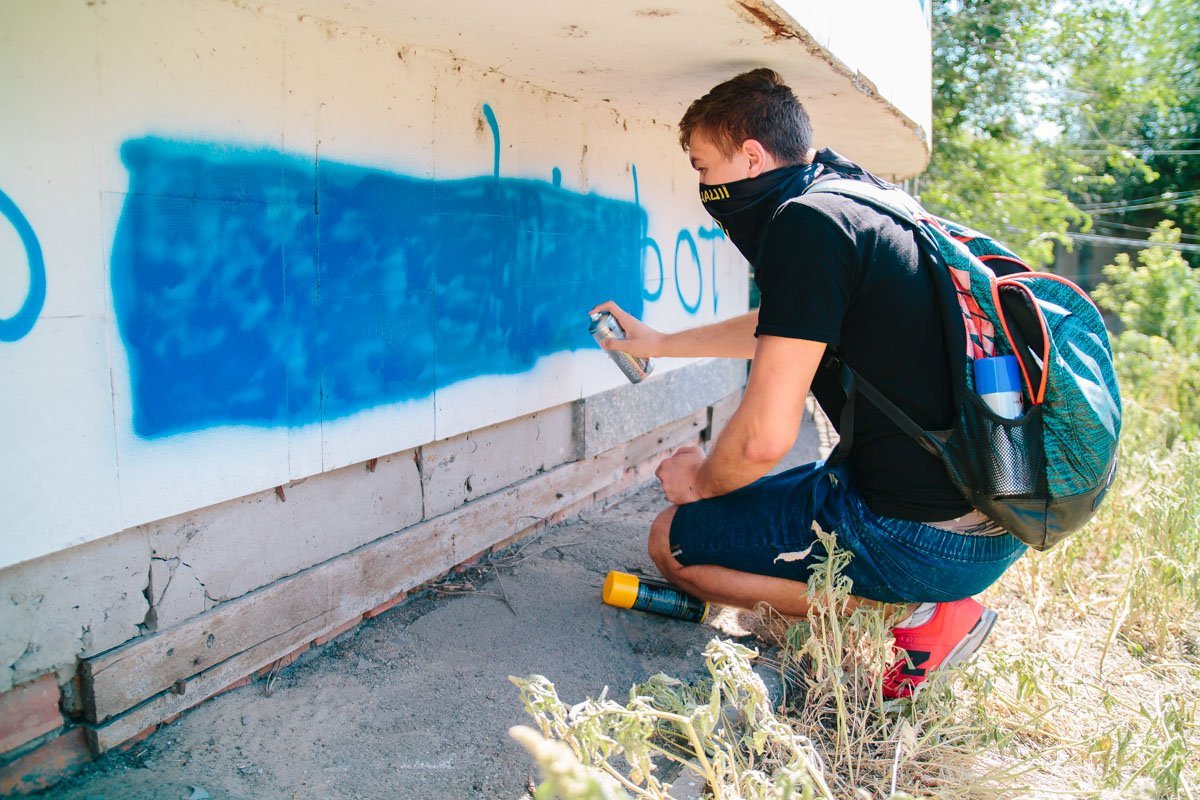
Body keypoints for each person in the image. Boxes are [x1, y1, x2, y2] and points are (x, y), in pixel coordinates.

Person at [590, 68, 1026, 698]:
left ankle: (917, 613)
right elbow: (788, 325)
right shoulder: (855, 200)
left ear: (751, 157)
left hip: (921, 537)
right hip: (993, 514)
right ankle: (914, 597)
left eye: (703, 167)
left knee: (673, 542)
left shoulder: (804, 224)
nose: (703, 188)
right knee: (735, 510)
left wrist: (698, 482)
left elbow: (763, 440)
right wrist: (661, 343)